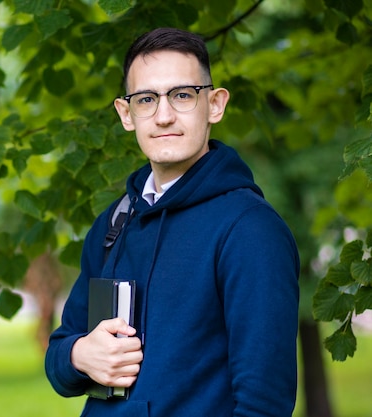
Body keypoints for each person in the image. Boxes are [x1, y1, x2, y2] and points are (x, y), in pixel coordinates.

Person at [44, 27, 300, 416]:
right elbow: (60, 356)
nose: (163, 116)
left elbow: (264, 403)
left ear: (214, 104)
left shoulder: (250, 229)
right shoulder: (115, 222)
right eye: (146, 99)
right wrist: (80, 354)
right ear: (126, 114)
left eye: (182, 95)